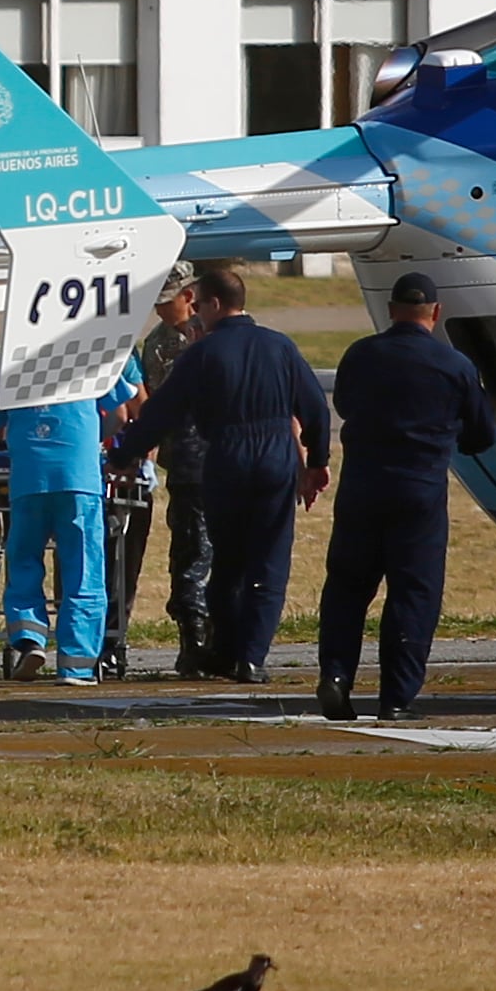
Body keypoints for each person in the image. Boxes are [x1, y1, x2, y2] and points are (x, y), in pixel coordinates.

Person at [118, 264, 330, 684]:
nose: (195, 312)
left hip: (226, 459)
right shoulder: (280, 347)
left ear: (215, 304)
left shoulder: (203, 352)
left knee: (227, 563)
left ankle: (225, 648)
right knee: (268, 562)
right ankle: (252, 657)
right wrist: (317, 462)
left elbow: (162, 411)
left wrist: (125, 453)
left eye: (199, 304)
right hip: (274, 458)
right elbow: (316, 408)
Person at [315, 271, 495, 722]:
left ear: (392, 310)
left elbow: (345, 406)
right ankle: (396, 698)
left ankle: (336, 677)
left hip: (361, 489)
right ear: (435, 313)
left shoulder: (361, 354)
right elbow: (480, 434)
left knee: (347, 589)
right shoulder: (455, 366)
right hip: (419, 493)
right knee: (413, 594)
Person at [0, 357, 141, 683]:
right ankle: (76, 664)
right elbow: (122, 413)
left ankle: (29, 639)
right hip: (78, 475)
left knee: (24, 560)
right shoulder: (88, 351)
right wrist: (91, 440)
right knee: (83, 570)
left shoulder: (13, 355)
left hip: (29, 477)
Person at [121, 268, 214, 676]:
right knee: (189, 553)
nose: (159, 307)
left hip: (223, 461)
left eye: (167, 298)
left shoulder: (214, 332)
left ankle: (218, 638)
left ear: (189, 295)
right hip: (184, 464)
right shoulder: (156, 344)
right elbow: (153, 406)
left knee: (219, 555)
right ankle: (193, 642)